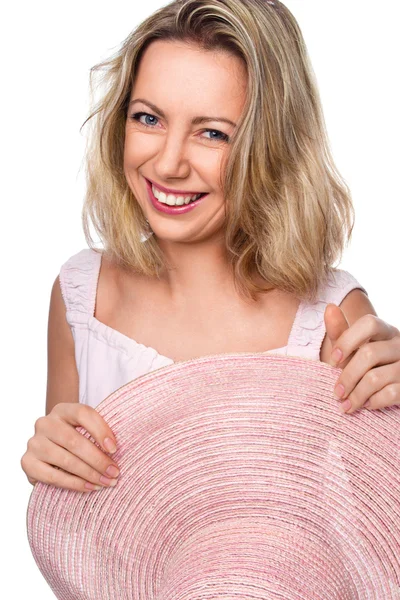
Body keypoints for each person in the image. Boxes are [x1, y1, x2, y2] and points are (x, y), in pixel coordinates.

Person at [21, 0, 400, 495]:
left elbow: (368, 538)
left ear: (272, 146)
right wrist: (49, 462)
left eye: (213, 133)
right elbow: (80, 535)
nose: (169, 163)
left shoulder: (326, 321)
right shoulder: (83, 296)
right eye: (148, 119)